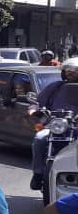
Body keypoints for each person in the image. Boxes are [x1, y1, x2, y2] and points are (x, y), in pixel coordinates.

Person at [29, 57, 78, 190]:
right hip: (56, 127)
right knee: (39, 139)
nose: (70, 73)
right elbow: (38, 103)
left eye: (74, 70)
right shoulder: (55, 87)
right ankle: (38, 174)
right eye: (67, 70)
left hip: (76, 129)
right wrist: (34, 109)